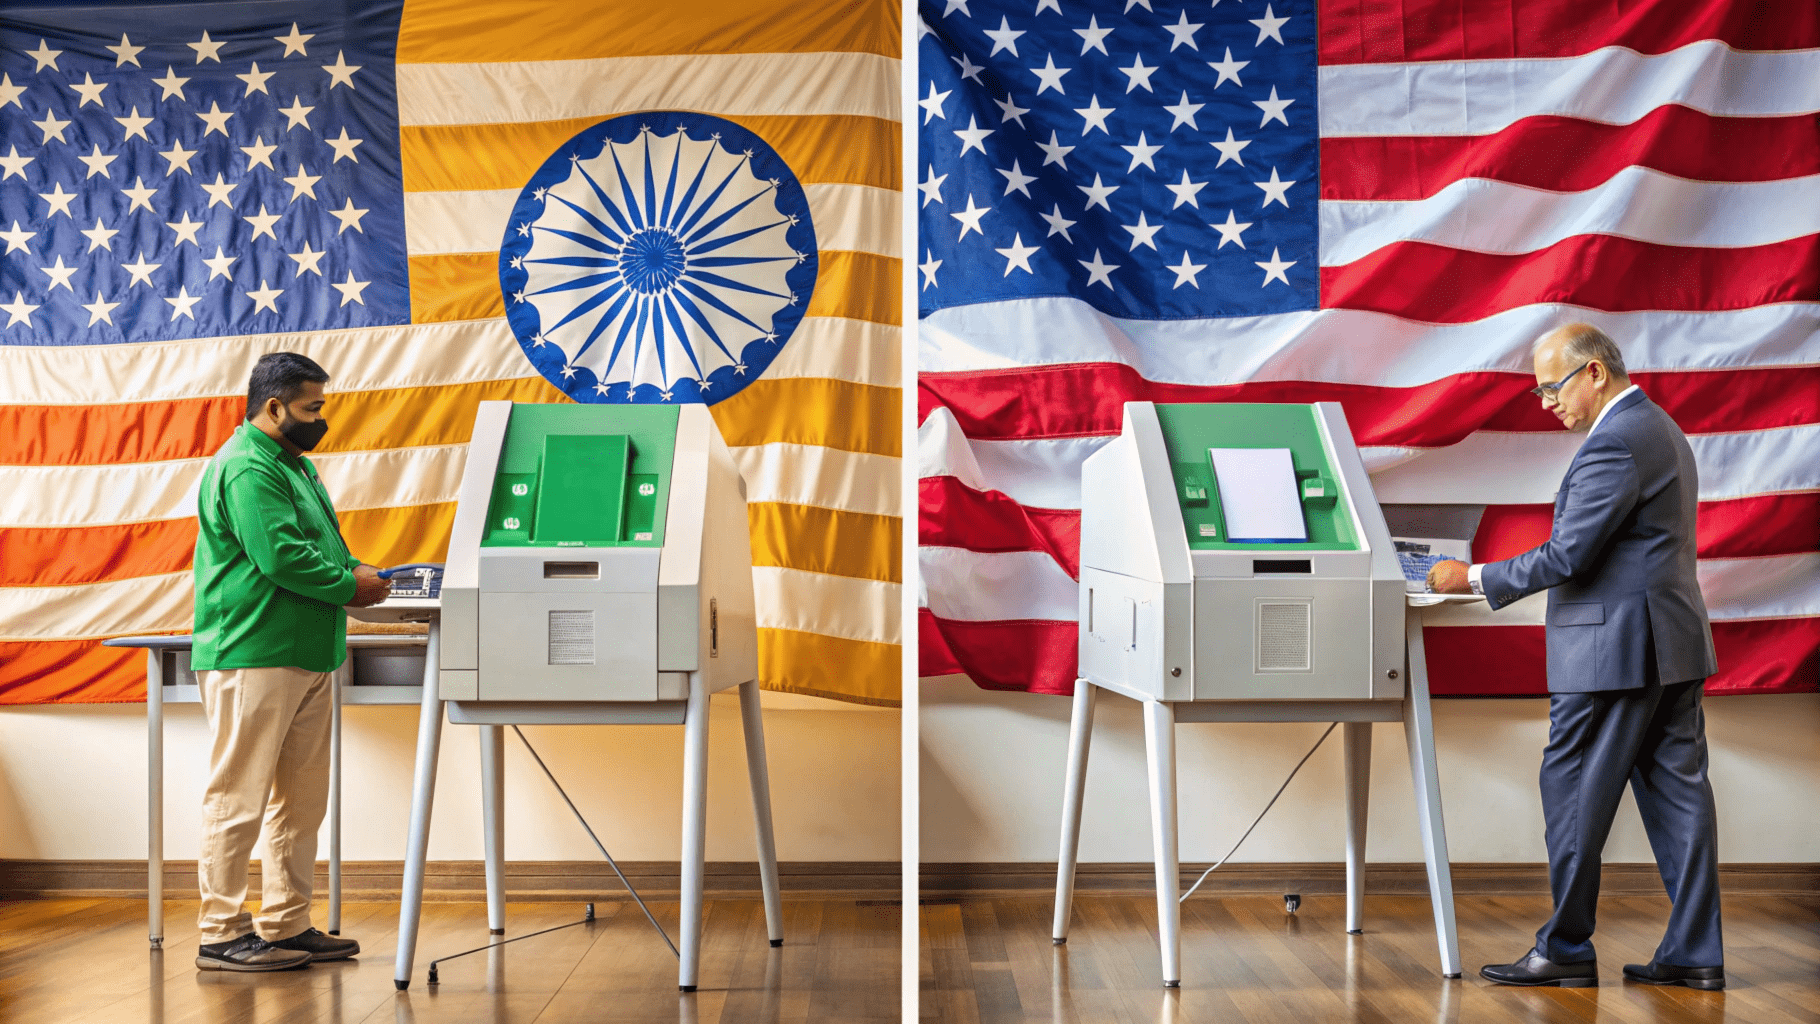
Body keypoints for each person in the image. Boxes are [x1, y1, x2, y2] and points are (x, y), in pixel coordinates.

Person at [1428, 323, 1723, 990]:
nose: (1545, 402)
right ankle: (1694, 953)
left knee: (1571, 795)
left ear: (1594, 373)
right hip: (1669, 647)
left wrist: (1470, 577)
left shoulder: (1614, 443)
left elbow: (1568, 555)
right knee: (1680, 800)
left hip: (1613, 653)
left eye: (1553, 387)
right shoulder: (1660, 427)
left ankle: (1563, 949)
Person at [189, 352, 392, 971]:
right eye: (312, 408)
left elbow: (319, 546)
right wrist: (352, 585)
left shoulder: (294, 466)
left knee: (301, 801)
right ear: (273, 407)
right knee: (239, 795)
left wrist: (357, 571)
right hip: (254, 652)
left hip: (306, 653)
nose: (320, 419)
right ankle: (221, 931)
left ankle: (284, 923)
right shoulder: (248, 467)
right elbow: (281, 557)